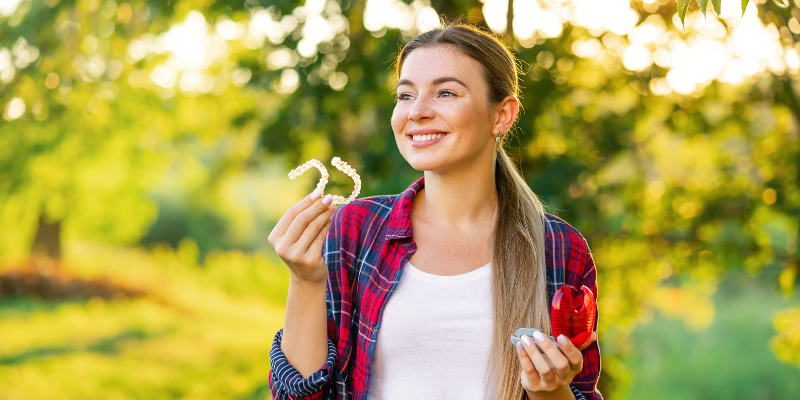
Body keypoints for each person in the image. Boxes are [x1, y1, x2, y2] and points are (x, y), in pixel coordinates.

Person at [267, 23, 602, 400]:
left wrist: (550, 390)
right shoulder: (357, 228)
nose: (418, 112)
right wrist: (306, 281)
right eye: (405, 95)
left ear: (502, 115)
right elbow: (300, 396)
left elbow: (579, 391)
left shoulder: (559, 247)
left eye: (445, 93)